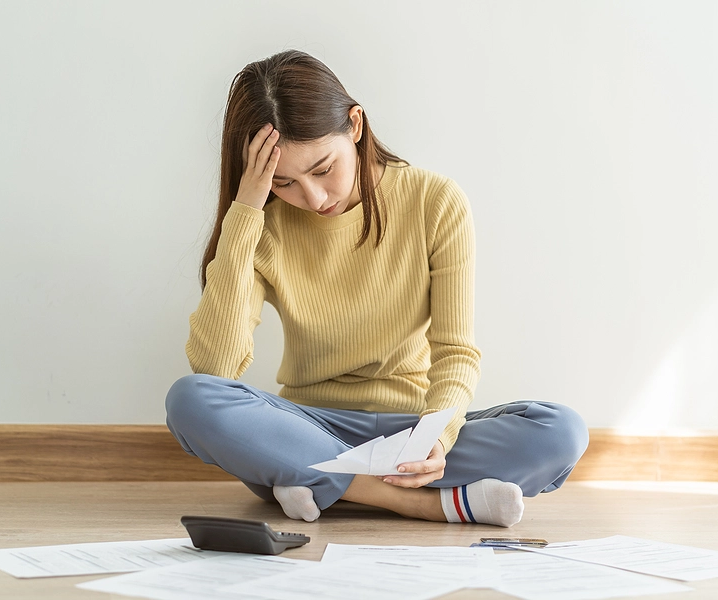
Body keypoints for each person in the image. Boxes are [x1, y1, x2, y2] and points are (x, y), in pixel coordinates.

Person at [165, 49, 588, 526]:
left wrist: (437, 437)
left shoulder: (435, 201)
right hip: (310, 426)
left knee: (560, 431)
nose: (314, 198)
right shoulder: (263, 224)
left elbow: (455, 351)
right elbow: (215, 369)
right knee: (190, 400)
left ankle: (319, 485)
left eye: (323, 169)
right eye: (284, 182)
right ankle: (418, 502)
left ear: (356, 125)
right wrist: (244, 213)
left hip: (413, 427)